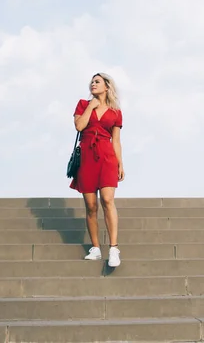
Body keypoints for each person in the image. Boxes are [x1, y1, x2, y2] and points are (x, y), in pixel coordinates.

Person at [70, 72, 125, 267]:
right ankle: (95, 248)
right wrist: (91, 107)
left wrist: (120, 163)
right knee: (91, 205)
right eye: (92, 82)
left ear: (107, 87)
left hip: (107, 156)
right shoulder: (83, 104)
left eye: (97, 81)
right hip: (87, 157)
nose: (93, 84)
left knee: (108, 200)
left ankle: (114, 248)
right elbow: (79, 126)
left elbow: (116, 140)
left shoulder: (116, 111)